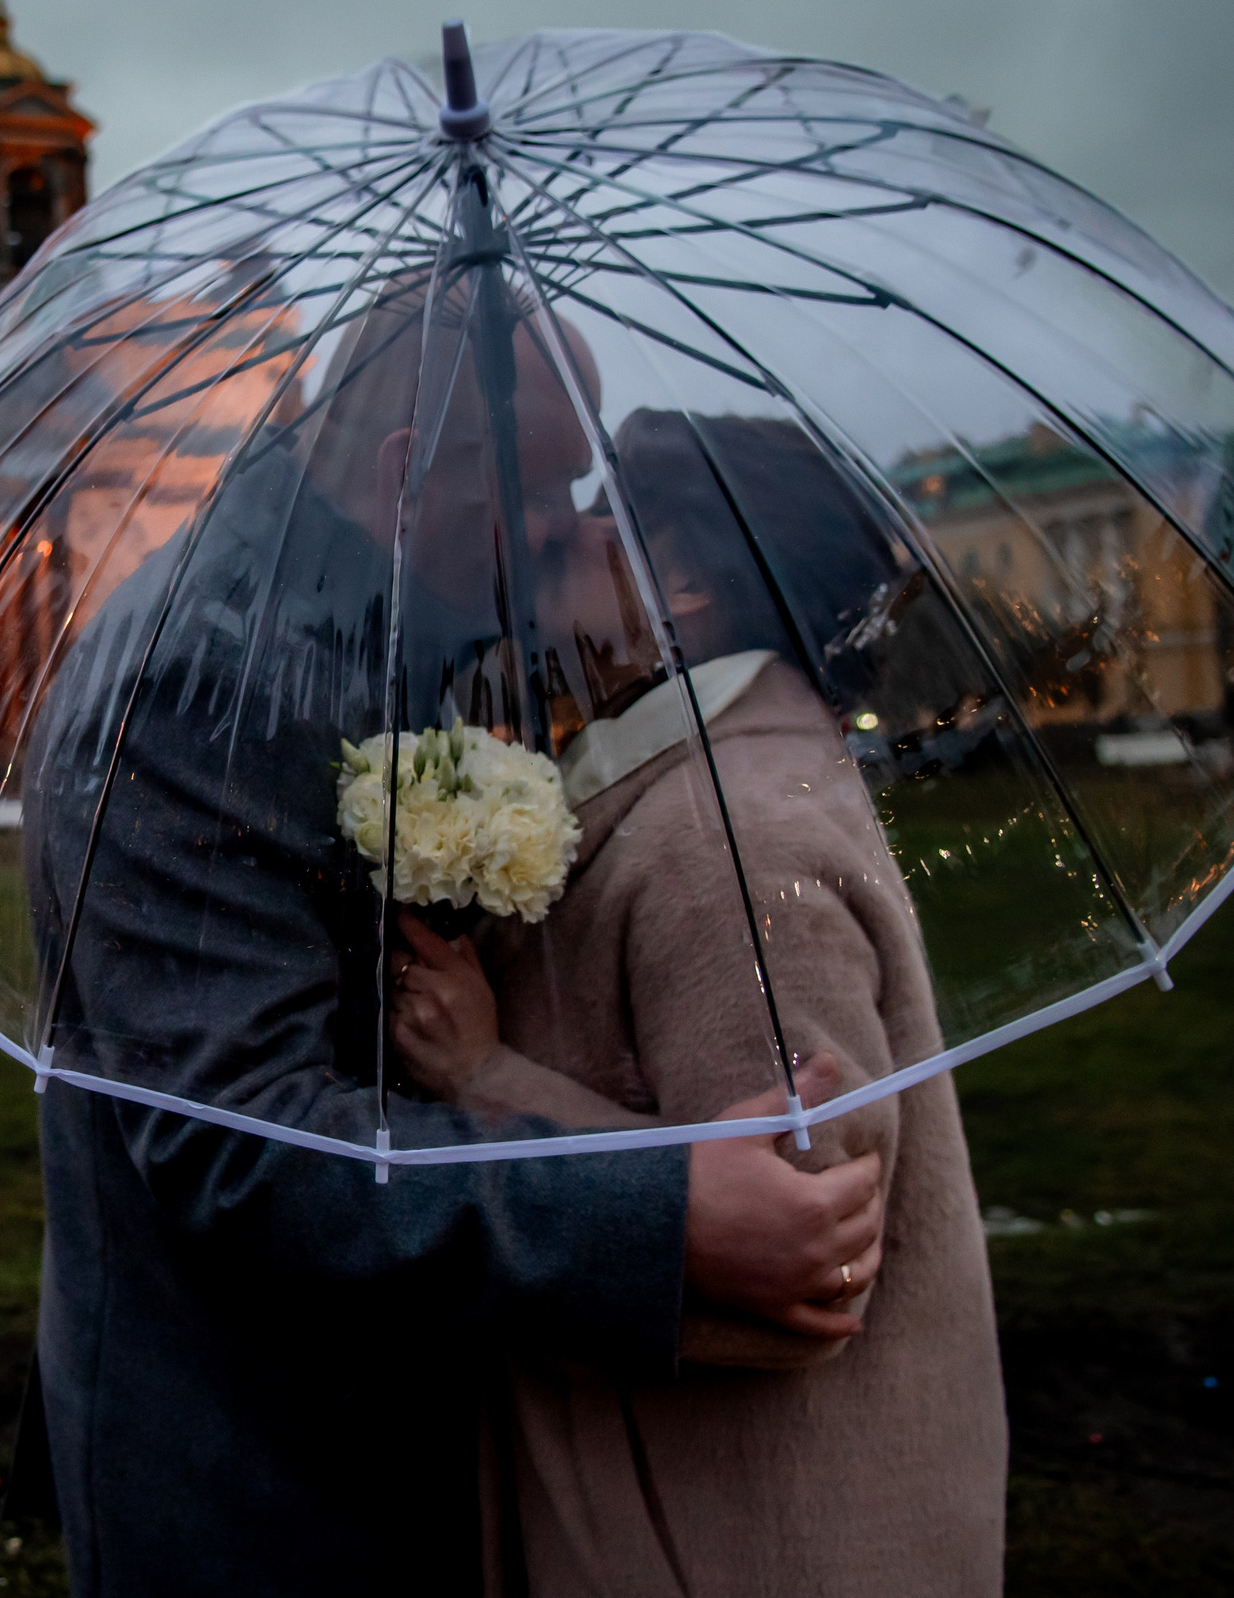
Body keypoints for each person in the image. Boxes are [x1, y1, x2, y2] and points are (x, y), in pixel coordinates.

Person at [19, 277, 890, 1597]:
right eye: (542, 491)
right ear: (408, 468)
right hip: (263, 1474)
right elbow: (247, 1145)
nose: (566, 531)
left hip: (394, 1423)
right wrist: (665, 1217)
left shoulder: (374, 604)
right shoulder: (197, 681)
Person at [387, 410, 1009, 1596]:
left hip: (737, 1538)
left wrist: (482, 1079)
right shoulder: (711, 786)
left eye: (593, 510)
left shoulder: (722, 843)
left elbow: (800, 1272)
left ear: (675, 578)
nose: (554, 530)